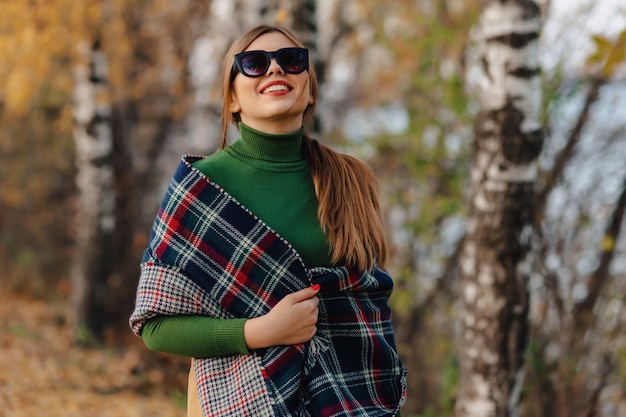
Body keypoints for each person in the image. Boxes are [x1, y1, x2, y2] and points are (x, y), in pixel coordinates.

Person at [129, 24, 406, 417]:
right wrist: (262, 331)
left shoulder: (352, 180)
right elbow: (156, 327)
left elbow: (368, 305)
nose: (276, 70)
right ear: (232, 97)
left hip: (348, 399)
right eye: (255, 64)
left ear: (309, 89)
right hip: (238, 403)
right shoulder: (200, 188)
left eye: (292, 61)